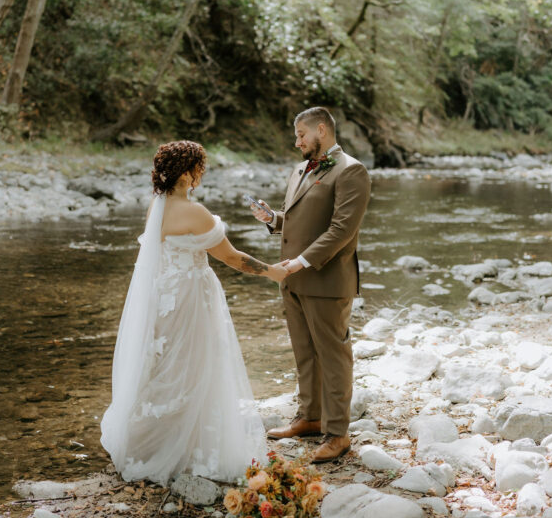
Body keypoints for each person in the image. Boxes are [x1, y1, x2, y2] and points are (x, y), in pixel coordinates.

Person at [100, 140, 287, 485]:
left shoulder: (156, 207)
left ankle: (153, 443)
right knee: (197, 367)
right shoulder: (195, 212)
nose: (201, 174)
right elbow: (231, 257)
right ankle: (190, 448)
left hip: (162, 298)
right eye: (199, 168)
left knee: (165, 366)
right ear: (187, 173)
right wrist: (272, 271)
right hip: (190, 299)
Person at [252, 107, 371, 463]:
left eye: (301, 134)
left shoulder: (351, 171)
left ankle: (337, 434)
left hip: (326, 280)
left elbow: (341, 230)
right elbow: (299, 219)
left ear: (322, 129)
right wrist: (273, 218)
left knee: (333, 358)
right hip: (293, 279)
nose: (297, 142)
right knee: (305, 353)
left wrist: (300, 262)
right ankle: (310, 417)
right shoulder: (300, 169)